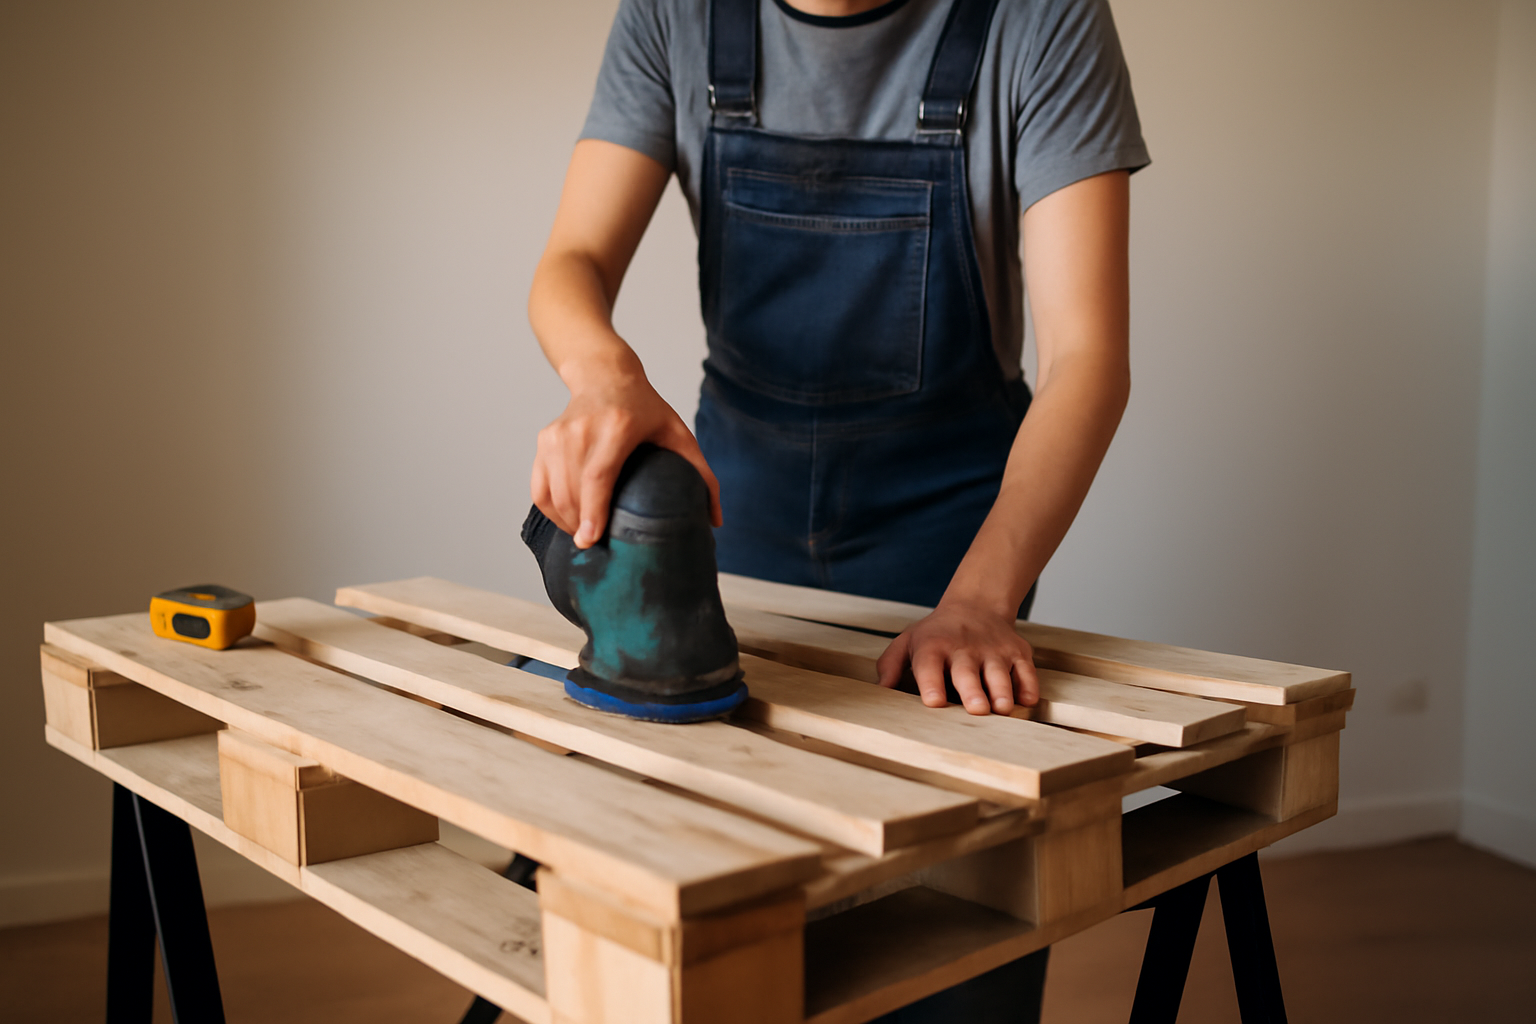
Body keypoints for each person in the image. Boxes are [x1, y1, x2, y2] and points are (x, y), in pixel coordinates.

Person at [527, 0, 1147, 1017]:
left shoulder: (1042, 18)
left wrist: (982, 600)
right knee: (726, 906)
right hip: (740, 517)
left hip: (955, 537)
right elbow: (572, 263)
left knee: (950, 931)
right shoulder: (673, 15)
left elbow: (1087, 359)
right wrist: (602, 373)